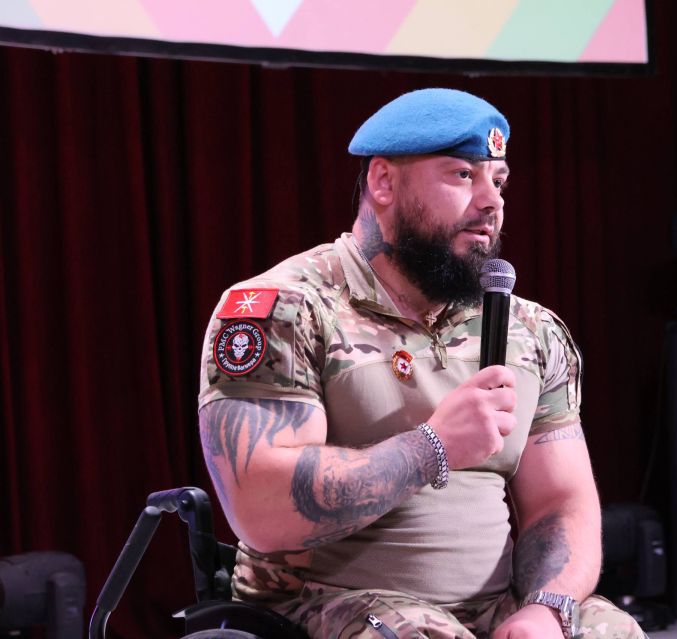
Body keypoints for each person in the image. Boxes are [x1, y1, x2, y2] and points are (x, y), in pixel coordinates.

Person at [198, 88, 645, 639]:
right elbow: (262, 512)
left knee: (613, 631)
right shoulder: (287, 309)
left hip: (495, 608)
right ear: (384, 182)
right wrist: (431, 448)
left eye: (499, 180)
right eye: (463, 175)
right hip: (324, 605)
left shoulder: (529, 330)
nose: (491, 201)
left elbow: (560, 502)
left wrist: (546, 609)